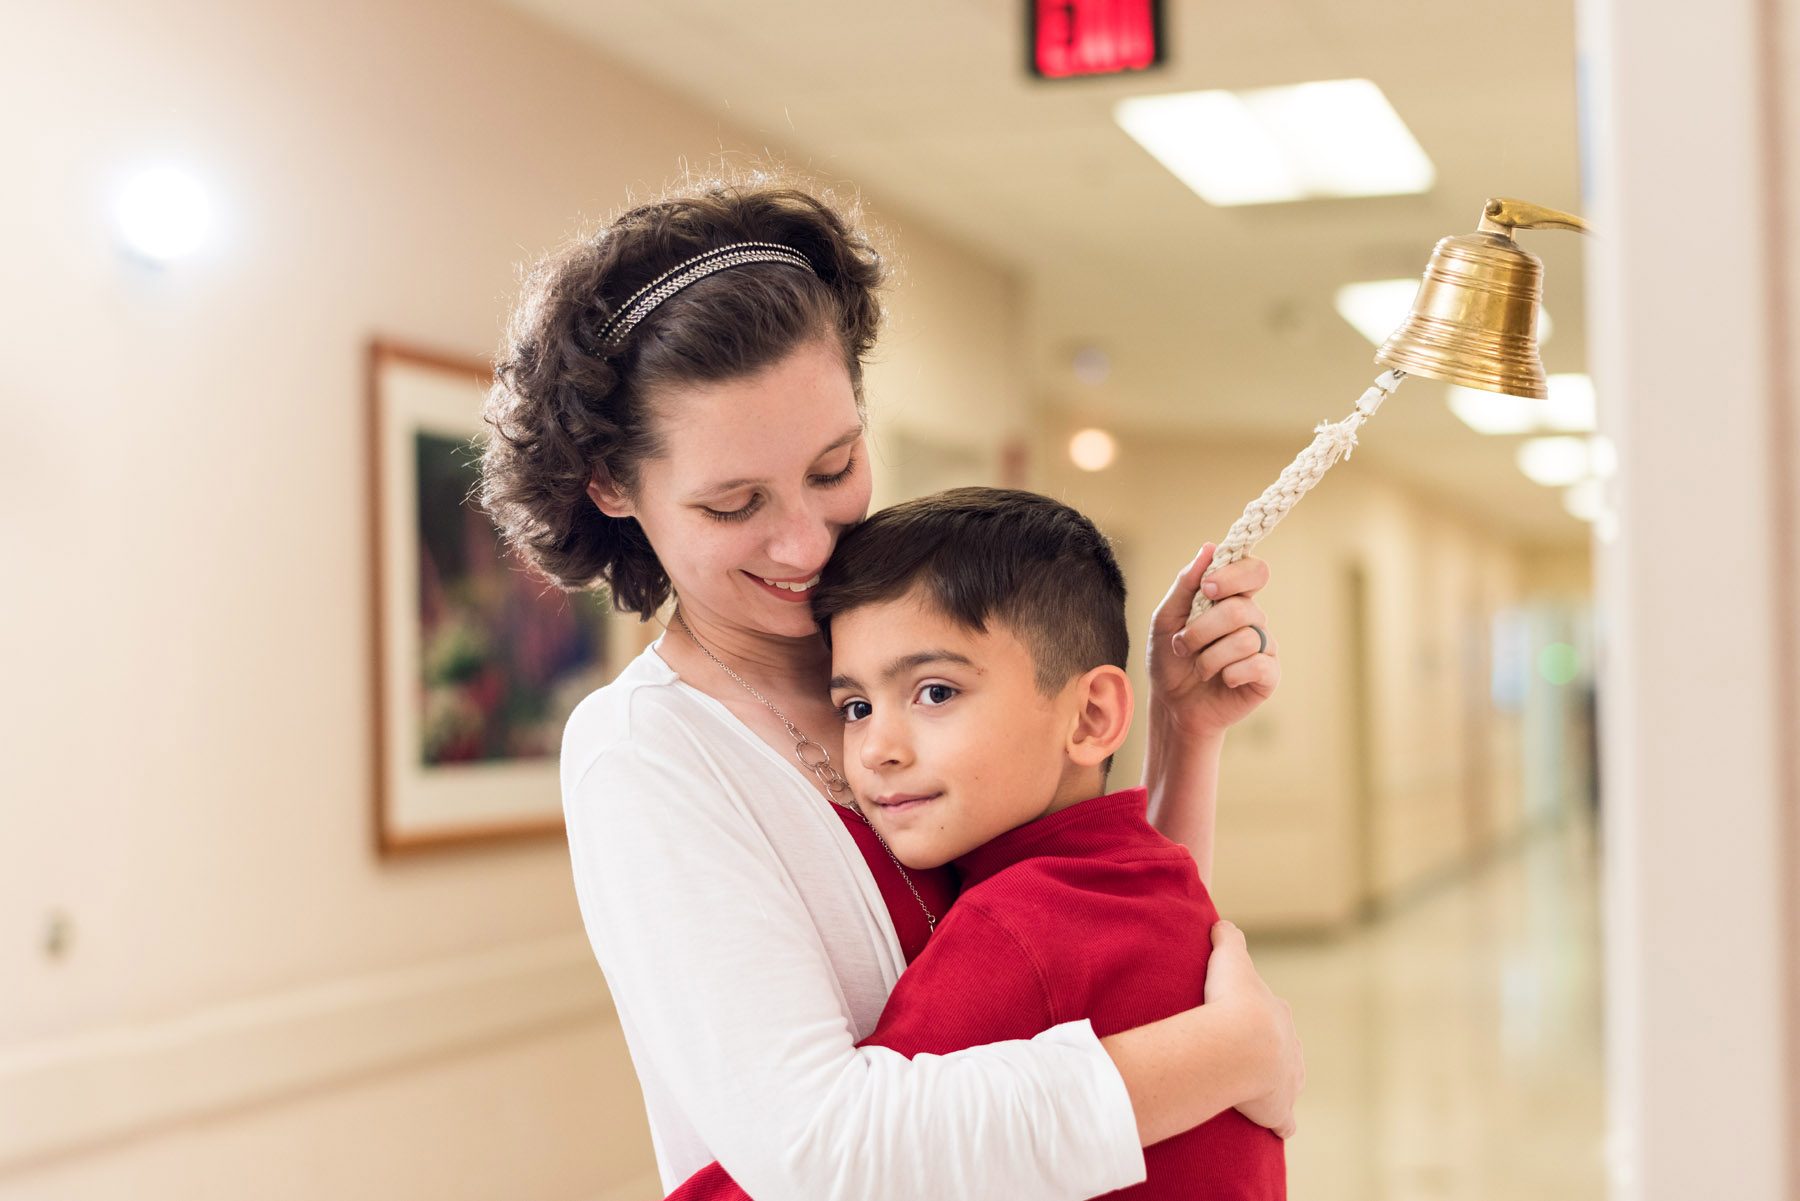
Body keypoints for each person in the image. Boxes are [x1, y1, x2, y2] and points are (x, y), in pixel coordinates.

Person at [478, 175, 1301, 1200]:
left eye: (834, 467)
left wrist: (1184, 737)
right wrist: (1229, 1056)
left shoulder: (915, 642)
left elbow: (1103, 945)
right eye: (734, 503)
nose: (807, 541)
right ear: (612, 488)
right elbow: (829, 1156)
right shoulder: (643, 754)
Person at [668, 487, 1287, 1201]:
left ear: (1090, 714)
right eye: (856, 707)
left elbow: (825, 1177)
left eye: (935, 692)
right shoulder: (1144, 875)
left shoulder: (1017, 927)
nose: (877, 749)